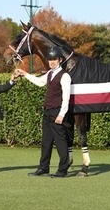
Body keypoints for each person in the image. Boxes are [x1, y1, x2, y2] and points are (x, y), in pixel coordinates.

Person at [14, 46, 72, 178]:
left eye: (54, 59)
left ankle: (63, 170)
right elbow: (40, 82)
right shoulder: (50, 74)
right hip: (47, 112)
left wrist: (61, 114)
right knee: (46, 142)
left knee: (61, 142)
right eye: (50, 59)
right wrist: (25, 73)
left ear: (60, 60)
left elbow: (66, 97)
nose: (52, 62)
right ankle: (43, 168)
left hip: (57, 112)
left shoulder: (65, 76)